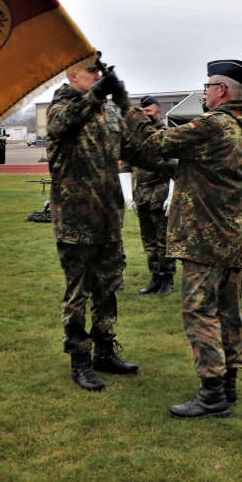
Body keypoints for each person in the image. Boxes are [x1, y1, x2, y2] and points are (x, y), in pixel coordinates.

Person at [126, 60, 242, 419]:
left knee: (199, 311)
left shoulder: (214, 124)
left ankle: (212, 393)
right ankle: (228, 385)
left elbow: (156, 142)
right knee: (228, 310)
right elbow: (197, 168)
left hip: (205, 236)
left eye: (207, 87)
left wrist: (125, 107)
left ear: (221, 90)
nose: (203, 93)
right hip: (234, 234)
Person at [46, 57, 161, 391]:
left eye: (101, 73)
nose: (98, 77)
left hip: (109, 218)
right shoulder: (60, 107)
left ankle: (105, 351)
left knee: (107, 288)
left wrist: (174, 165)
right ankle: (80, 359)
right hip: (76, 220)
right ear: (72, 74)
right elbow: (61, 125)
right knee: (78, 292)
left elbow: (134, 150)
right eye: (92, 72)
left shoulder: (109, 113)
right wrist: (96, 95)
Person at [120, 96, 177, 296]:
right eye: (142, 113)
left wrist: (172, 195)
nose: (145, 116)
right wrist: (128, 196)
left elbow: (176, 168)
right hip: (142, 195)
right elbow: (124, 167)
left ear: (159, 112)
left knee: (164, 240)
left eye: (149, 112)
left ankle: (167, 279)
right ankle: (155, 277)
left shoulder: (166, 135)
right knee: (149, 242)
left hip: (161, 194)